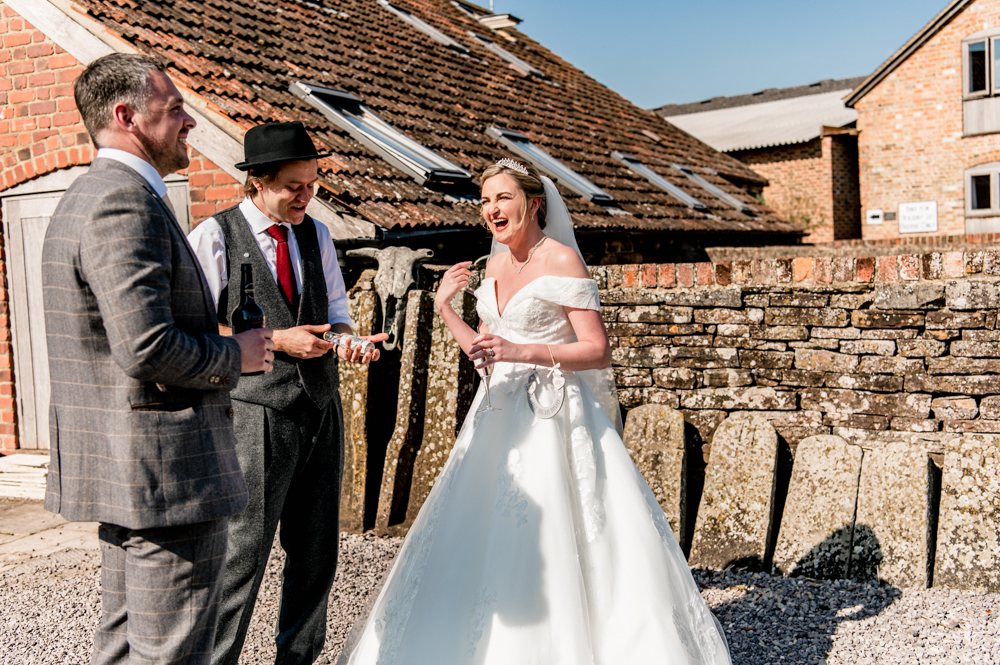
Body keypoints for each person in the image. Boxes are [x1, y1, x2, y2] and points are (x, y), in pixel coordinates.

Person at [342, 158, 731, 665]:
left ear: (533, 203)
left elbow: (596, 350)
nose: (491, 210)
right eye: (484, 201)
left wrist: (522, 351)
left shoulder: (563, 260)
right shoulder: (494, 264)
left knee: (561, 533)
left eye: (502, 198)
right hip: (495, 414)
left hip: (554, 416)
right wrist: (444, 308)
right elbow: (485, 352)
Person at [42, 53, 275, 665]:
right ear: (127, 117)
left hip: (130, 470)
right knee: (171, 652)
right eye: (173, 110)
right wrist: (236, 354)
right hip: (167, 474)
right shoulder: (125, 204)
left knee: (126, 646)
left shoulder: (87, 195)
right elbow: (146, 346)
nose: (189, 121)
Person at [186, 121, 387, 665]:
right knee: (241, 556)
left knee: (318, 552)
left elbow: (336, 319)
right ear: (257, 182)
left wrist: (350, 344)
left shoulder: (316, 235)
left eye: (312, 183)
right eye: (292, 186)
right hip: (253, 413)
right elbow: (194, 333)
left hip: (322, 409)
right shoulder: (212, 237)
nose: (306, 196)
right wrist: (278, 339)